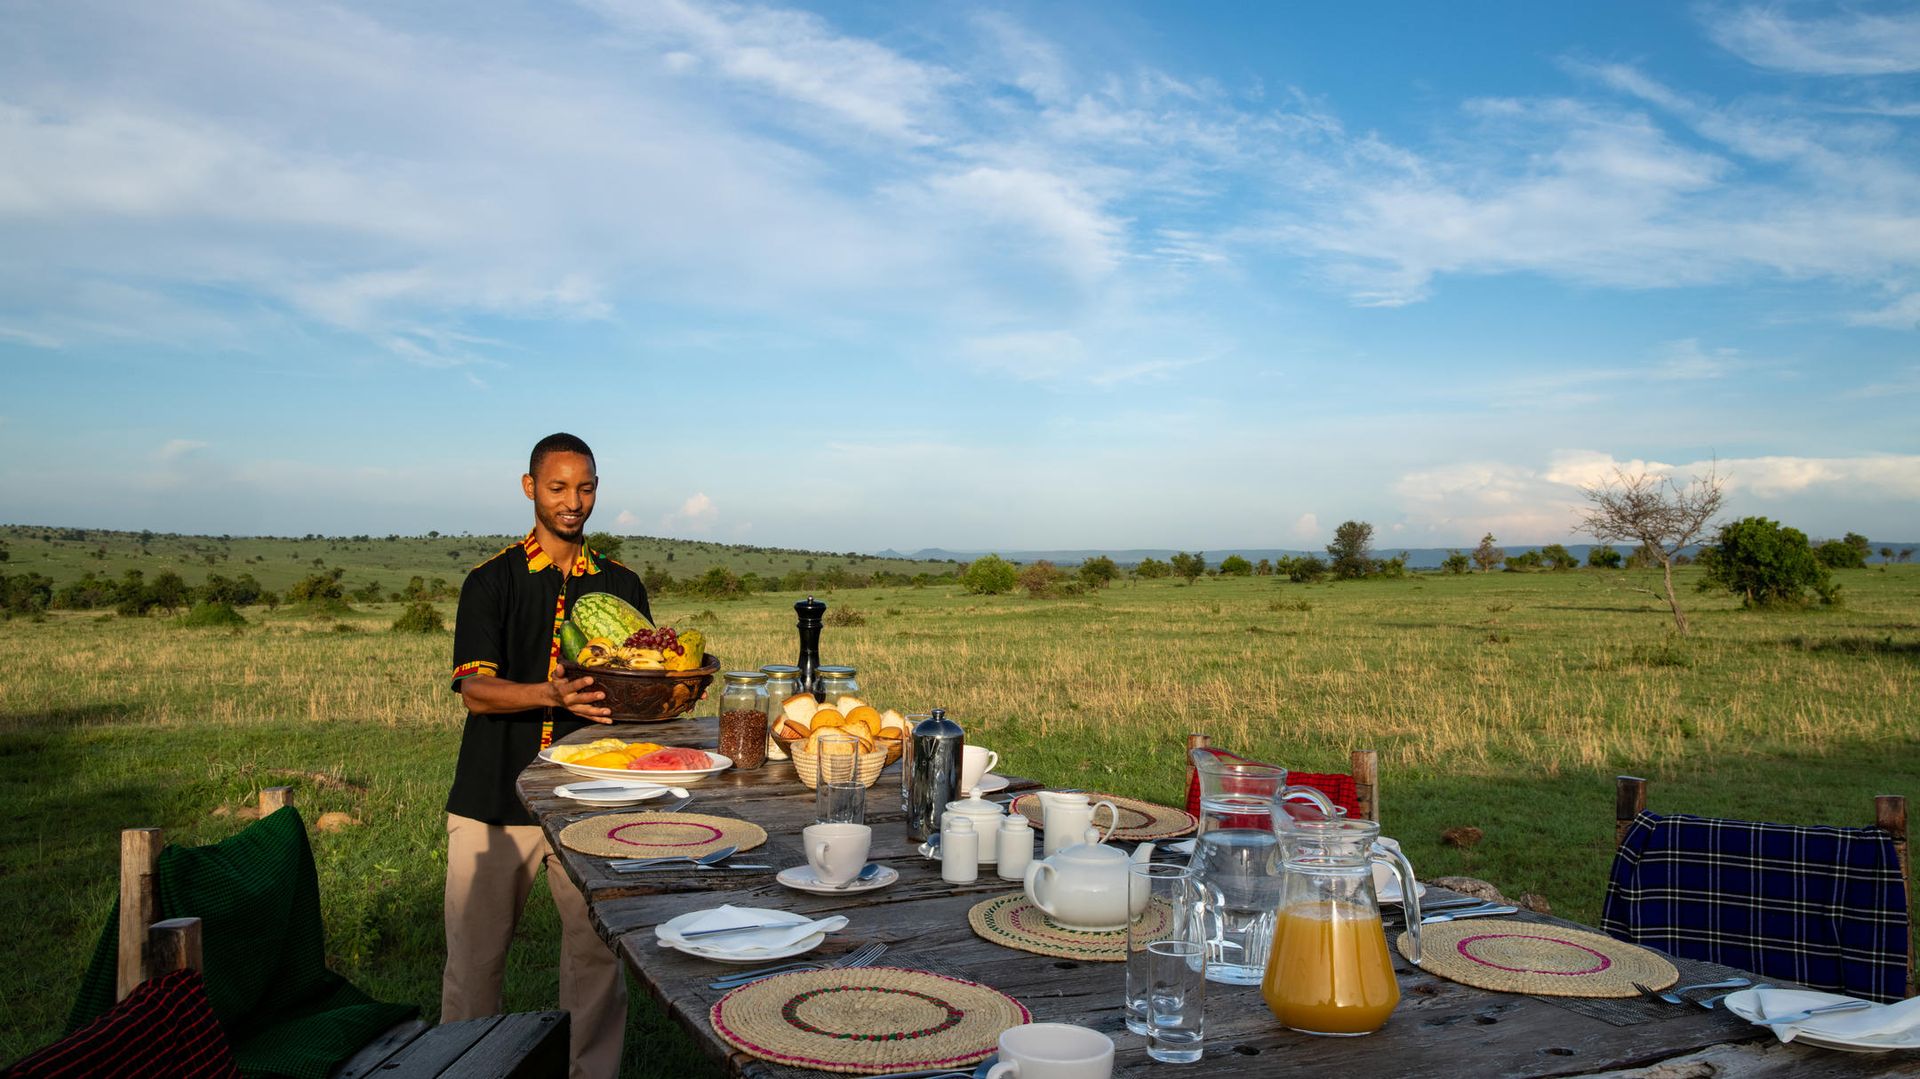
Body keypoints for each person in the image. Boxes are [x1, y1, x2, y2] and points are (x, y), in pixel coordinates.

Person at [442, 432, 645, 1079]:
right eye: (558, 487)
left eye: (584, 487)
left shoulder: (621, 584)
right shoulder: (490, 581)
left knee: (595, 963)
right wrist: (548, 693)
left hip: (592, 801)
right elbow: (475, 690)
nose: (573, 501)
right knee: (474, 968)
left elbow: (641, 681)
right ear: (530, 487)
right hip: (492, 802)